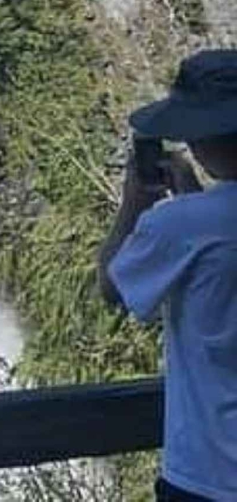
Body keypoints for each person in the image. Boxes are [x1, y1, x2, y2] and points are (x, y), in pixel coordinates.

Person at [98, 49, 237, 502]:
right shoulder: (197, 224)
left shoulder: (180, 226)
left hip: (210, 473)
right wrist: (194, 197)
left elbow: (114, 287)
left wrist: (134, 204)